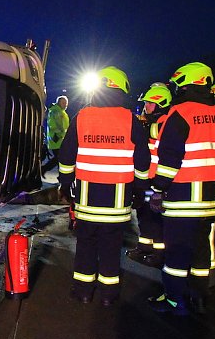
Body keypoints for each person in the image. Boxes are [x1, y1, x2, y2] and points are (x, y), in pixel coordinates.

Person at [58, 67, 150, 306]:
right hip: (117, 202)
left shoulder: (82, 116)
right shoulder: (130, 119)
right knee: (111, 247)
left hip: (87, 200)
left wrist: (65, 184)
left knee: (86, 245)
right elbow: (143, 160)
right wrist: (140, 189)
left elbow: (66, 155)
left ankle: (83, 292)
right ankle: (109, 295)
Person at [148, 62, 215, 315]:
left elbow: (170, 157)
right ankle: (199, 297)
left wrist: (158, 188)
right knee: (201, 253)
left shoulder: (181, 113)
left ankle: (174, 299)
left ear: (185, 85)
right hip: (210, 198)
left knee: (176, 253)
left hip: (183, 198)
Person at [127, 82, 172, 267]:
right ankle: (144, 248)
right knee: (145, 215)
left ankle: (159, 255)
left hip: (157, 180)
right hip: (148, 179)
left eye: (150, 103)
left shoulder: (164, 123)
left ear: (161, 104)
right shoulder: (154, 122)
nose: (146, 106)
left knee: (156, 218)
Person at [41, 95, 69, 175]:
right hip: (56, 139)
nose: (65, 104)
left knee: (60, 158)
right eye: (63, 103)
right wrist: (61, 134)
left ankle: (46, 170)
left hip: (60, 140)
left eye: (66, 103)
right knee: (60, 158)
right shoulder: (56, 112)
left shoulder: (61, 112)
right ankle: (44, 169)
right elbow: (53, 125)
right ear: (58, 103)